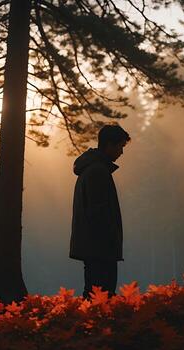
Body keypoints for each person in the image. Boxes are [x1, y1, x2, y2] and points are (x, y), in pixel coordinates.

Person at [70, 124, 130, 299]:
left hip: (93, 246)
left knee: (93, 292)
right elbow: (99, 212)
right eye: (120, 146)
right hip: (100, 248)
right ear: (109, 145)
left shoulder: (91, 169)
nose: (121, 152)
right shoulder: (98, 171)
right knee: (102, 295)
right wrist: (111, 240)